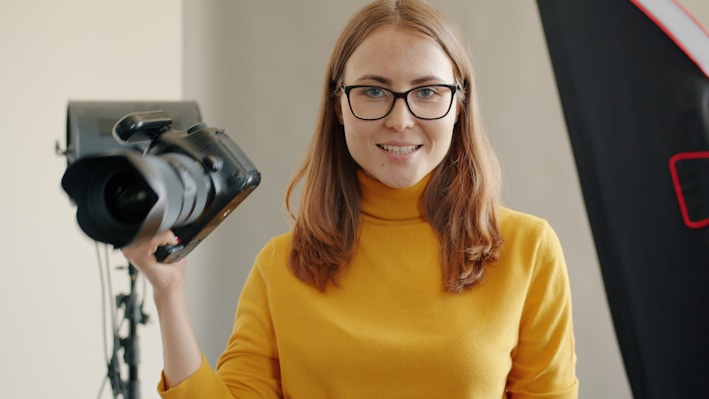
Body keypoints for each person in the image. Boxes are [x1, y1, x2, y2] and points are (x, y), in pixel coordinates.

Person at [122, 0, 579, 397]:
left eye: (427, 91)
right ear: (338, 106)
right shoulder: (280, 266)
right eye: (374, 91)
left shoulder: (528, 250)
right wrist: (169, 294)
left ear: (459, 104)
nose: (400, 119)